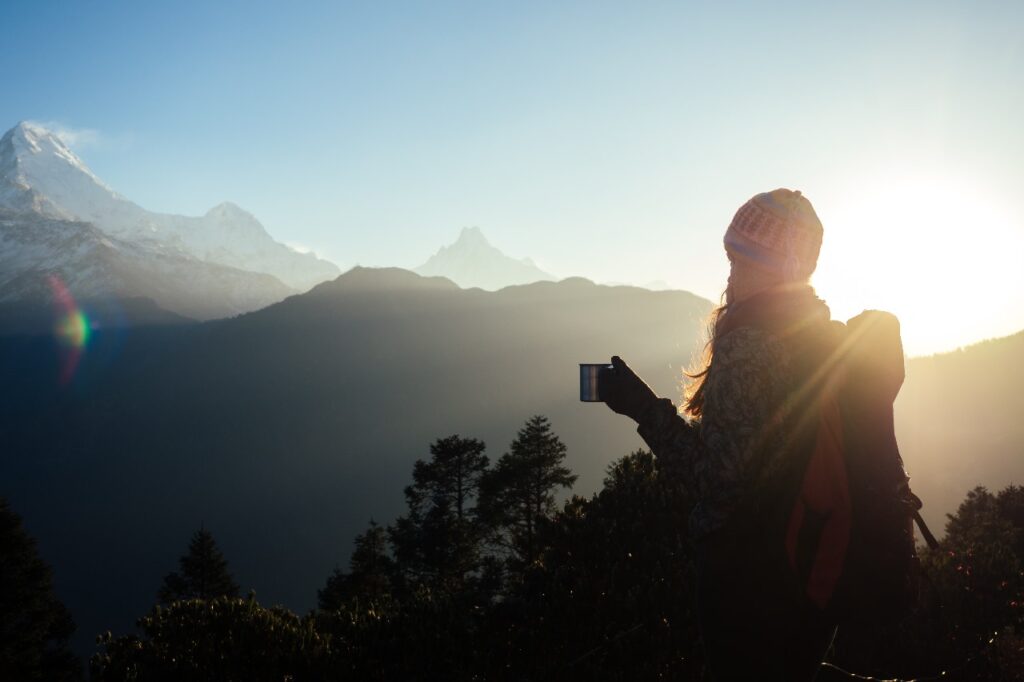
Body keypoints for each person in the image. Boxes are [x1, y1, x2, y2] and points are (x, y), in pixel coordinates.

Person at [601, 189, 853, 681]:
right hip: (804, 568)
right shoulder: (816, 334)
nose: (732, 271)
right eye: (731, 255)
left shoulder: (750, 346)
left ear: (780, 266)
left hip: (745, 580)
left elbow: (715, 481)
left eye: (745, 258)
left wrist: (642, 410)